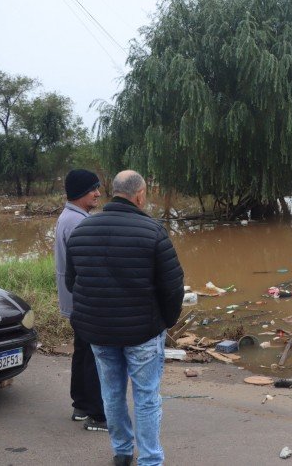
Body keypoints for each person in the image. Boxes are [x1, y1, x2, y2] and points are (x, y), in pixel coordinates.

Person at [65, 170, 184, 466]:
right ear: (140, 195)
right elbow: (173, 286)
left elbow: (72, 282)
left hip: (99, 332)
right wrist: (165, 321)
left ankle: (121, 452)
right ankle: (150, 459)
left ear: (112, 191)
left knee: (112, 392)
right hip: (142, 331)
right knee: (146, 396)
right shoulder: (152, 230)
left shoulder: (82, 230)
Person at [54, 168, 107, 432]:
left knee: (83, 353)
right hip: (85, 302)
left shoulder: (69, 217)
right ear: (79, 192)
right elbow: (88, 268)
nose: (97, 193)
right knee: (94, 357)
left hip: (75, 301)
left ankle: (81, 406)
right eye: (92, 189)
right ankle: (98, 415)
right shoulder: (78, 222)